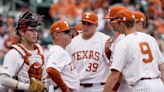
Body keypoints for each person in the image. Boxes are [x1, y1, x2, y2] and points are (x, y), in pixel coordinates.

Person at [103, 9, 164, 92]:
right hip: (158, 84)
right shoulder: (150, 39)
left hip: (141, 86)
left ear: (122, 24)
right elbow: (162, 66)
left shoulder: (123, 42)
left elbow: (114, 76)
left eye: (118, 23)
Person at [0, 10, 46, 92]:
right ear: (21, 32)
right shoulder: (14, 53)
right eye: (31, 30)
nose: (35, 33)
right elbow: (3, 79)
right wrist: (27, 87)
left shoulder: (39, 49)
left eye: (36, 30)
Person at [66, 11, 111, 92]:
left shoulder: (105, 40)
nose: (86, 26)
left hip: (98, 87)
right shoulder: (72, 43)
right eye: (84, 23)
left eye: (89, 24)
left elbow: (112, 65)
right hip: (78, 87)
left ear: (96, 25)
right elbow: (68, 69)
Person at [46, 20, 79, 92]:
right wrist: (65, 89)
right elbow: (51, 70)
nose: (70, 34)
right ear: (56, 35)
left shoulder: (59, 50)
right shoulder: (57, 50)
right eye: (66, 32)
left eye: (70, 31)